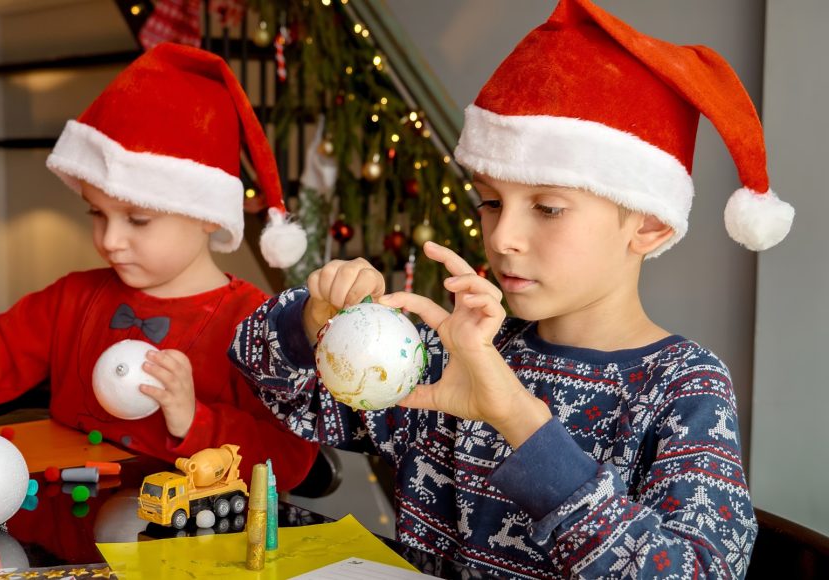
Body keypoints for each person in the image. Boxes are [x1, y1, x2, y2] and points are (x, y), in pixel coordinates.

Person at [230, 0, 794, 576]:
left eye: (548, 208)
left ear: (648, 225)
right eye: (491, 201)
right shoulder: (462, 352)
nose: (502, 238)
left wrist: (520, 420)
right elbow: (294, 400)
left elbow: (694, 572)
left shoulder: (683, 388)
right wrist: (312, 322)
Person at [0, 43, 318, 491]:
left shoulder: (260, 326)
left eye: (138, 220)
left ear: (208, 217)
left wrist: (194, 421)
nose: (110, 240)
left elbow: (290, 463)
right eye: (97, 213)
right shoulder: (75, 299)